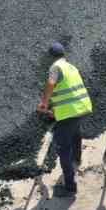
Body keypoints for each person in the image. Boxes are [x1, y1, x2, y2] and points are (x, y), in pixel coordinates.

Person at [37, 42, 91, 198]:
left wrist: (44, 104)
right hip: (82, 107)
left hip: (69, 112)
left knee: (62, 147)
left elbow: (51, 84)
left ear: (51, 57)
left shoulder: (55, 67)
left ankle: (69, 186)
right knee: (75, 133)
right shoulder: (71, 67)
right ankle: (77, 159)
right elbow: (68, 91)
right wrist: (55, 110)